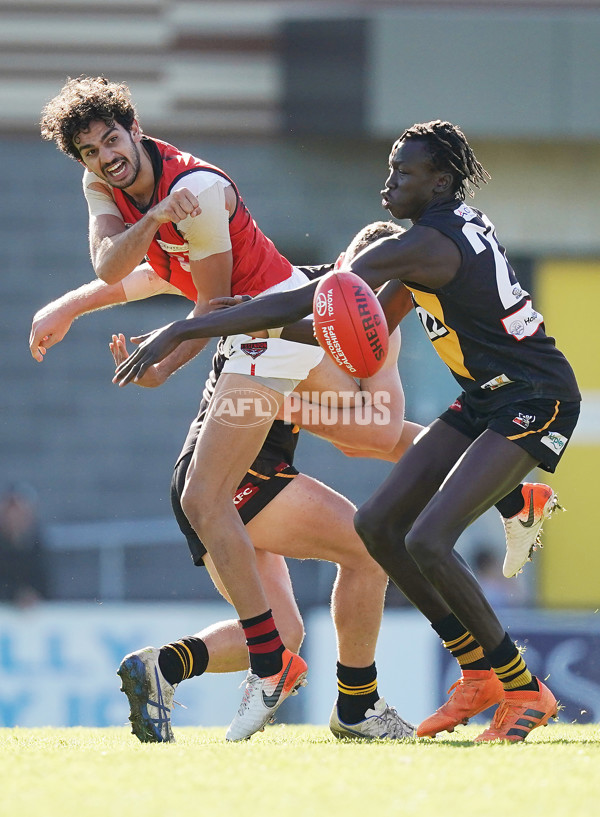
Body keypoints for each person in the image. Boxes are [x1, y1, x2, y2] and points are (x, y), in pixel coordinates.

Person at [115, 120, 580, 743]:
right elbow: (327, 334)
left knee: (426, 539)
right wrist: (207, 327)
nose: (388, 182)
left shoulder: (424, 248)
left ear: (440, 182)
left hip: (534, 398)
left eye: (403, 173)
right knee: (376, 528)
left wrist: (184, 330)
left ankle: (519, 687)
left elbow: (317, 319)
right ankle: (468, 671)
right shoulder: (439, 241)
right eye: (389, 169)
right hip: (485, 400)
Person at [28, 196, 416, 738]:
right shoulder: (289, 291)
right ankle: (358, 707)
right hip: (235, 476)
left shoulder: (381, 325)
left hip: (228, 473)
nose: (363, 289)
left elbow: (383, 429)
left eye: (381, 283)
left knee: (281, 635)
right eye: (359, 273)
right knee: (368, 549)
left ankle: (160, 667)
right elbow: (156, 277)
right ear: (346, 260)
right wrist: (68, 307)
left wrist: (476, 463)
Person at [0, 483, 47, 607]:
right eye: (10, 512)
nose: (14, 517)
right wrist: (14, 595)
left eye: (19, 512)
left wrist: (32, 594)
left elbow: (46, 582)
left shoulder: (36, 546)